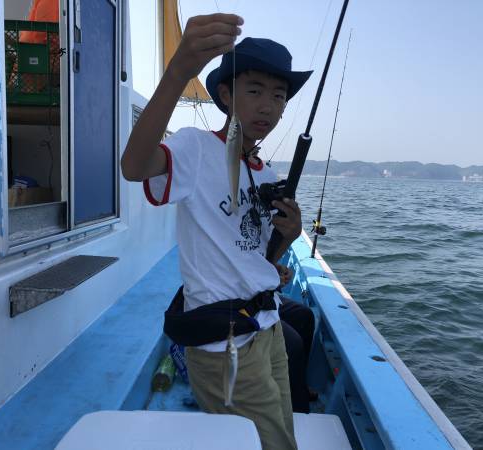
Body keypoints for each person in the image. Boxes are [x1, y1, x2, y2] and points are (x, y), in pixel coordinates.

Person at [121, 14, 312, 450]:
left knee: (284, 432)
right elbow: (134, 166)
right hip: (226, 344)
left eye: (279, 96)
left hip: (267, 327)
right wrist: (178, 71)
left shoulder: (267, 173)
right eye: (255, 90)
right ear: (225, 95)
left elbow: (256, 256)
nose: (268, 106)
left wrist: (288, 236)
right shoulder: (196, 147)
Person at [277, 264, 316, 413]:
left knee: (303, 315)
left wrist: (275, 268)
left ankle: (298, 383)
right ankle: (297, 407)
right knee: (292, 343)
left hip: (260, 297)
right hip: (235, 305)